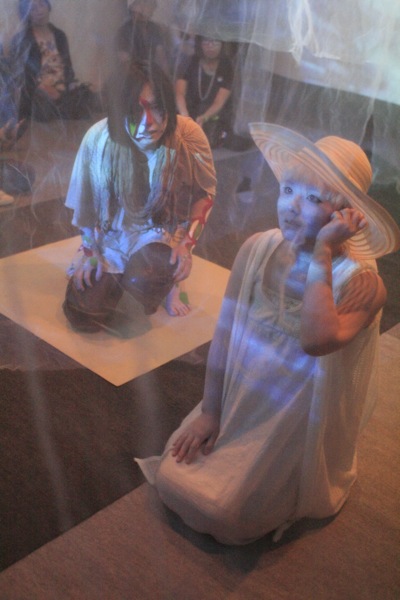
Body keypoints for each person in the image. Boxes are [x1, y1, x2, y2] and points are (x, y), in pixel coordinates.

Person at [136, 123, 400, 544]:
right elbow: (225, 335)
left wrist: (323, 253)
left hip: (293, 417)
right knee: (172, 479)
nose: (292, 206)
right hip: (241, 395)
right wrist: (211, 411)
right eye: (288, 189)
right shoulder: (257, 248)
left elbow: (315, 340)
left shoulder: (361, 283)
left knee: (223, 513)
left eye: (313, 198)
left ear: (347, 215)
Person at [63, 60, 216, 331]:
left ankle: (169, 283)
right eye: (135, 110)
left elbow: (204, 194)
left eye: (157, 107)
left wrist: (186, 246)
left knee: (145, 284)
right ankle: (120, 278)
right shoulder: (98, 139)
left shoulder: (188, 135)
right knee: (85, 314)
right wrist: (90, 251)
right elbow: (85, 206)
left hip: (162, 233)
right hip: (111, 236)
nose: (149, 122)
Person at [9, 0, 99, 121]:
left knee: (88, 96)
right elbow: (20, 77)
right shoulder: (21, 40)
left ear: (48, 6)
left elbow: (68, 67)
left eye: (41, 5)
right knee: (43, 106)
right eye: (33, 8)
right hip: (39, 91)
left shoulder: (59, 35)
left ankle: (65, 107)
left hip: (62, 87)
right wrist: (42, 88)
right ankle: (63, 109)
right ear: (26, 13)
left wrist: (70, 84)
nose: (39, 11)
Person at [175, 36, 234, 148]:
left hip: (213, 113)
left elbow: (219, 102)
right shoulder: (190, 61)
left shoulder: (226, 66)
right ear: (199, 44)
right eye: (206, 42)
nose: (210, 46)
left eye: (215, 42)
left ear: (222, 45)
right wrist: (185, 115)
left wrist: (204, 117)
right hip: (190, 109)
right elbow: (179, 93)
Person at [115, 0, 170, 75]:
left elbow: (161, 57)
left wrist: (166, 77)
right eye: (140, 4)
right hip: (132, 76)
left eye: (150, 6)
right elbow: (125, 62)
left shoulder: (154, 28)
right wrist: (144, 78)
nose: (145, 9)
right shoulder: (124, 31)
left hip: (152, 75)